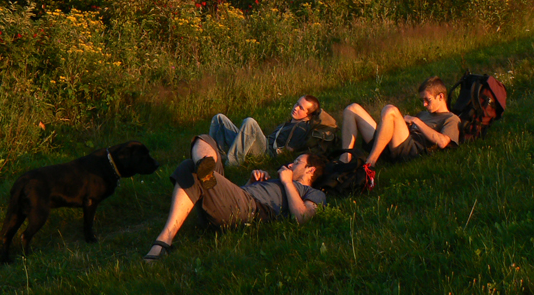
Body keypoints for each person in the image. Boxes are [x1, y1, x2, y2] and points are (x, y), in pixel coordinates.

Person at [143, 134, 327, 262]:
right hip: (237, 199)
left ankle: (163, 242)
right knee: (204, 139)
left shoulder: (314, 193)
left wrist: (287, 182)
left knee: (188, 166)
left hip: (249, 209)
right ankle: (203, 168)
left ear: (310, 170)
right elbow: (241, 193)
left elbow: (302, 218)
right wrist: (251, 182)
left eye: (296, 163)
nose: (289, 164)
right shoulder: (278, 179)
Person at [340, 76, 460, 167]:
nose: (424, 104)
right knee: (352, 109)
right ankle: (344, 161)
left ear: (440, 97)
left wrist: (416, 121)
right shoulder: (423, 114)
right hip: (391, 144)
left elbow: (443, 142)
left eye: (428, 100)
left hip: (411, 150)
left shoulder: (450, 118)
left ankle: (370, 163)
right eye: (422, 100)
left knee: (390, 110)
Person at [209, 95, 321, 166]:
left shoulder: (301, 128)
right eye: (297, 104)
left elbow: (291, 149)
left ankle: (233, 163)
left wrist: (281, 153)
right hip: (264, 144)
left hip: (267, 152)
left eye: (301, 108)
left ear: (308, 115)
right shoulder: (291, 122)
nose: (296, 108)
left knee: (250, 122)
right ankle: (217, 158)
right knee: (219, 119)